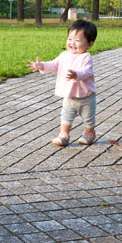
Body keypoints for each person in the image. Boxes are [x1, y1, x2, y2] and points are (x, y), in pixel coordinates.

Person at [27, 19, 97, 147]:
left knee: (88, 119)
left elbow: (87, 72)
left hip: (86, 97)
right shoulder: (64, 55)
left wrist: (77, 74)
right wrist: (41, 65)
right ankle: (64, 135)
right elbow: (54, 65)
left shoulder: (86, 57)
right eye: (70, 39)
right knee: (66, 117)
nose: (72, 43)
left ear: (89, 44)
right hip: (69, 95)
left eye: (77, 40)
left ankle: (90, 133)